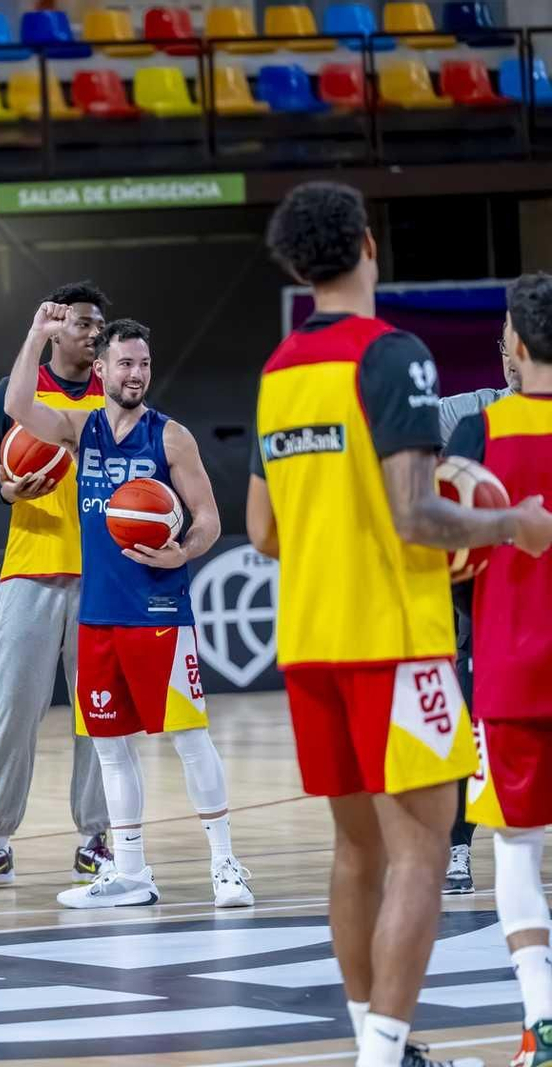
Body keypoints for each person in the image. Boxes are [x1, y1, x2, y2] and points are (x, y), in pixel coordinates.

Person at [247, 181, 552, 1067]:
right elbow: (418, 515)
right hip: (396, 639)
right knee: (422, 851)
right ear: (368, 247)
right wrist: (510, 525)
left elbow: (263, 532)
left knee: (357, 851)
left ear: (299, 266)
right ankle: (381, 1059)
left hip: (308, 640)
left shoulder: (277, 371)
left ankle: (378, 1046)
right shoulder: (395, 356)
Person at [5, 314, 252, 909]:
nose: (136, 373)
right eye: (125, 363)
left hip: (160, 611)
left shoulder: (171, 438)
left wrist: (183, 553)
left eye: (143, 363)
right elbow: (17, 404)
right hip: (98, 616)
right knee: (112, 749)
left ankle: (226, 864)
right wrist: (37, 336)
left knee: (190, 740)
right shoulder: (79, 429)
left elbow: (210, 518)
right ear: (102, 369)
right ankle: (132, 873)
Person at [0, 281, 112, 891]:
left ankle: (96, 838)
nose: (92, 332)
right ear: (54, 329)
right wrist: (5, 491)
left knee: (96, 716)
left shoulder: (116, 394)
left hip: (101, 576)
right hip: (30, 569)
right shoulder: (17, 391)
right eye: (80, 323)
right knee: (15, 710)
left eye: (99, 324)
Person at [447, 272, 552, 1066]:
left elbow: (437, 545)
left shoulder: (477, 433)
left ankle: (542, 1024)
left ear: (514, 344)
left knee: (515, 850)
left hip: (512, 672)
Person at [436, 341, 521, 896]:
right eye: (509, 337)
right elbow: (395, 438)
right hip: (487, 602)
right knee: (473, 727)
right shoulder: (468, 414)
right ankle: (458, 850)